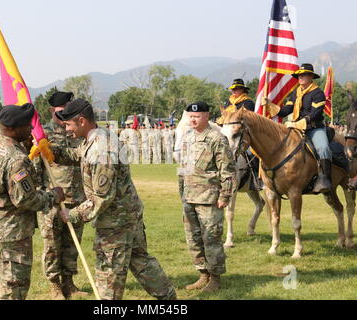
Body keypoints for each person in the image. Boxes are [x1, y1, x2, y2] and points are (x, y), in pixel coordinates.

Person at [48, 98, 177, 300]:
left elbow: (102, 197)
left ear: (81, 121)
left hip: (116, 222)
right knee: (140, 261)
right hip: (126, 216)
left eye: (68, 125)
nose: (66, 130)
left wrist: (72, 214)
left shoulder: (102, 150)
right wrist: (50, 152)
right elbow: (76, 155)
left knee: (108, 273)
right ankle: (169, 298)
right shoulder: (96, 138)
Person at [0, 103, 65, 300]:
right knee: (12, 289)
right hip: (10, 236)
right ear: (13, 129)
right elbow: (25, 199)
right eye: (27, 126)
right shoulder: (16, 158)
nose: (31, 129)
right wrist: (54, 196)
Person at [33, 91, 88, 299]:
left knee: (72, 245)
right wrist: (42, 198)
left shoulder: (77, 131)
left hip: (77, 198)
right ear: (51, 111)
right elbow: (36, 170)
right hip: (52, 200)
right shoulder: (42, 135)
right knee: (52, 246)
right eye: (61, 111)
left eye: (68, 110)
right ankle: (54, 285)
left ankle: (69, 282)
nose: (65, 115)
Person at [180, 102, 236, 293]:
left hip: (209, 197)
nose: (193, 119)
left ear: (206, 116)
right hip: (189, 196)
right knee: (193, 239)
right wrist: (182, 192)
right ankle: (202, 273)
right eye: (190, 116)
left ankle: (215, 278)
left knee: (211, 238)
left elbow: (227, 169)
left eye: (197, 116)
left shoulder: (216, 138)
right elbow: (183, 167)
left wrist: (225, 195)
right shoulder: (187, 137)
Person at [262, 63, 332, 193]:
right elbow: (286, 111)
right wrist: (269, 105)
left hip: (313, 128)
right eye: (299, 75)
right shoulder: (295, 93)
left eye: (303, 75)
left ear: (311, 77)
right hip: (295, 127)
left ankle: (325, 179)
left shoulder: (318, 93)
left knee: (323, 148)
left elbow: (315, 114)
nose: (300, 77)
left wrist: (298, 123)